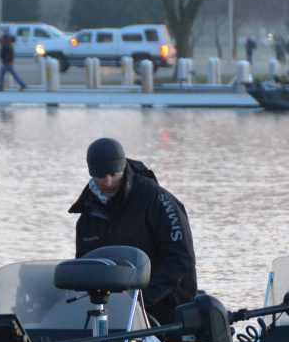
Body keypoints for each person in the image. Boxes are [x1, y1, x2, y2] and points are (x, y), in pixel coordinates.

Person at [68, 138, 197, 326]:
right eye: (100, 176)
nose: (108, 182)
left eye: (114, 174)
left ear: (123, 168)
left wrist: (142, 300)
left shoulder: (157, 200)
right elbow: (85, 268)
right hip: (111, 313)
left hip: (166, 312)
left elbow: (181, 259)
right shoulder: (87, 217)